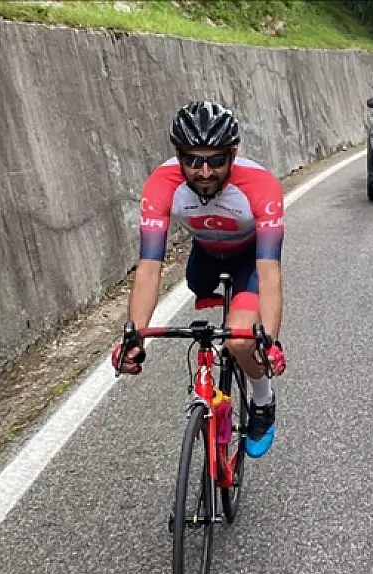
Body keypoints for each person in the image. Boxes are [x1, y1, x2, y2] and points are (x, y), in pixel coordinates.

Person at [112, 101, 287, 458]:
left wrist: (268, 341)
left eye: (216, 160)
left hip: (249, 259)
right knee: (197, 284)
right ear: (178, 155)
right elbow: (149, 267)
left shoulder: (260, 185)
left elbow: (269, 273)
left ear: (233, 154)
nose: (204, 172)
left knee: (240, 340)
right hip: (204, 256)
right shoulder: (161, 184)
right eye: (192, 161)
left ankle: (263, 400)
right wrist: (134, 336)